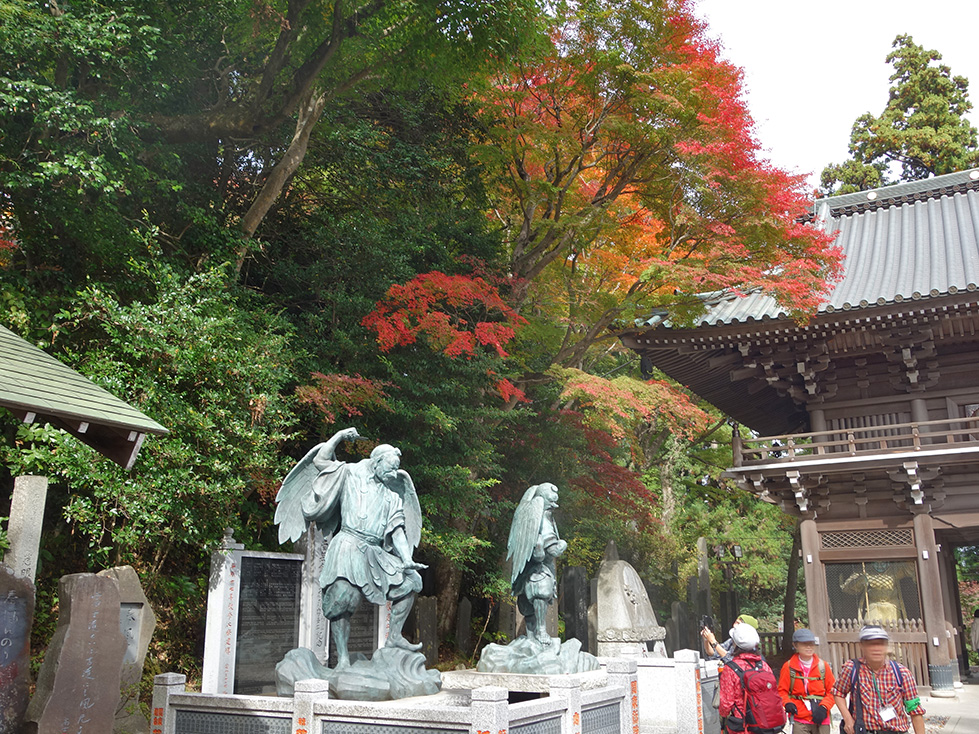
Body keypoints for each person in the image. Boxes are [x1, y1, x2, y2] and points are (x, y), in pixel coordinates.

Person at [276, 427, 427, 668]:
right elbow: (320, 461)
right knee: (343, 598)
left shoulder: (392, 496)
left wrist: (406, 559)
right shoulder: (349, 474)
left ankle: (395, 636)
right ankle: (343, 659)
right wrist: (339, 436)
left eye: (396, 469)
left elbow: (397, 530)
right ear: (376, 463)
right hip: (348, 545)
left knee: (411, 581)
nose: (393, 474)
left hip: (374, 551)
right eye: (390, 468)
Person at [832, 625, 925, 734]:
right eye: (871, 644)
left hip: (895, 731)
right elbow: (838, 692)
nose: (876, 648)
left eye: (880, 644)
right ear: (862, 646)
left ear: (886, 646)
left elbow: (915, 710)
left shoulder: (902, 673)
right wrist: (847, 718)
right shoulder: (852, 669)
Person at [507, 483, 568, 645]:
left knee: (532, 599)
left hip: (529, 568)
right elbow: (553, 549)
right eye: (552, 501)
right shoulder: (542, 514)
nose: (554, 505)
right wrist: (563, 544)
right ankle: (540, 632)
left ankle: (531, 637)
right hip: (538, 569)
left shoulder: (535, 513)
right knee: (540, 592)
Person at [719, 623, 786, 734]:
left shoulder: (730, 669)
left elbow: (726, 705)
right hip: (765, 724)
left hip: (743, 726)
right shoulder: (763, 665)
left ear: (735, 644)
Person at [778, 628, 834, 734]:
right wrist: (788, 703)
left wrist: (824, 707)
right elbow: (782, 691)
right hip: (799, 718)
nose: (809, 647)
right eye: (804, 644)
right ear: (795, 645)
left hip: (821, 717)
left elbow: (832, 691)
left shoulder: (823, 666)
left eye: (811, 643)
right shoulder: (788, 667)